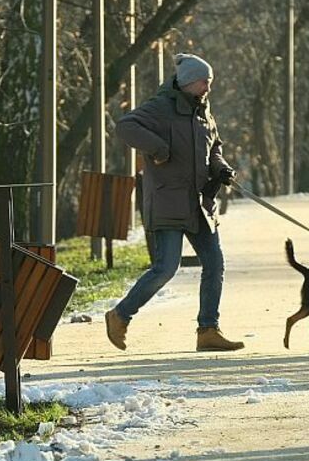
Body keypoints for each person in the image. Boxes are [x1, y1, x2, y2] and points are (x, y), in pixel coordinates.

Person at [105, 53, 245, 352]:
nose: (208, 87)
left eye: (209, 82)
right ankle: (120, 315)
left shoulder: (203, 110)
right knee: (166, 268)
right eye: (203, 82)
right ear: (187, 82)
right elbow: (125, 126)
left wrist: (220, 167)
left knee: (215, 264)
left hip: (200, 204)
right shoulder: (160, 107)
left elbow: (214, 147)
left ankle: (208, 329)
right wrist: (158, 149)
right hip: (169, 201)